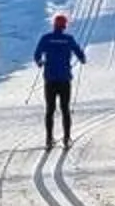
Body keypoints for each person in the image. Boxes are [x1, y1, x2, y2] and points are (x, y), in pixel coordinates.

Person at [32, 12, 86, 149]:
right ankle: (67, 139)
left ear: (54, 25)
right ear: (65, 26)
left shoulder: (46, 38)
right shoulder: (68, 39)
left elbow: (37, 54)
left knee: (50, 109)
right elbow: (79, 52)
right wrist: (82, 59)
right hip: (64, 79)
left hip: (50, 79)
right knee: (65, 109)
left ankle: (49, 139)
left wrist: (39, 62)